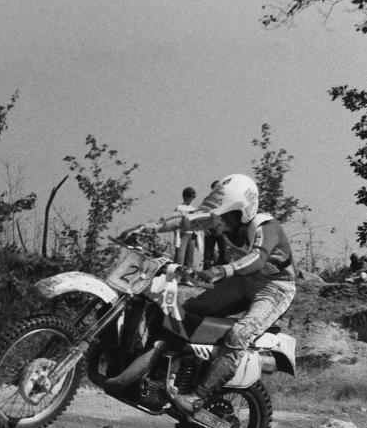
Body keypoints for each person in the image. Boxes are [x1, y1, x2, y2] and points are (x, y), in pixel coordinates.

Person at [119, 174, 296, 414]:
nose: (216, 221)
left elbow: (258, 257)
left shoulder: (266, 225)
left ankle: (198, 397)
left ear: (240, 211)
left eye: (222, 215)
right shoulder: (221, 219)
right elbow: (184, 221)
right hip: (243, 281)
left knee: (239, 334)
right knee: (186, 314)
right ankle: (178, 374)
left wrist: (223, 270)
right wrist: (144, 228)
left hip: (275, 288)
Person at [173, 186, 202, 271]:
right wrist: (176, 234)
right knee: (180, 257)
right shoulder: (179, 208)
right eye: (191, 196)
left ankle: (187, 277)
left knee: (189, 257)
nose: (192, 199)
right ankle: (177, 276)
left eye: (194, 197)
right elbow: (175, 222)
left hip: (192, 234)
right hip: (182, 234)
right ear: (185, 196)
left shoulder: (193, 209)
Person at [203, 180, 227, 268]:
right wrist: (204, 229)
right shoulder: (207, 200)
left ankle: (223, 278)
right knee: (208, 257)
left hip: (222, 231)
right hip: (210, 230)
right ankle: (205, 277)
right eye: (216, 187)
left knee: (224, 256)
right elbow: (202, 215)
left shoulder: (226, 200)